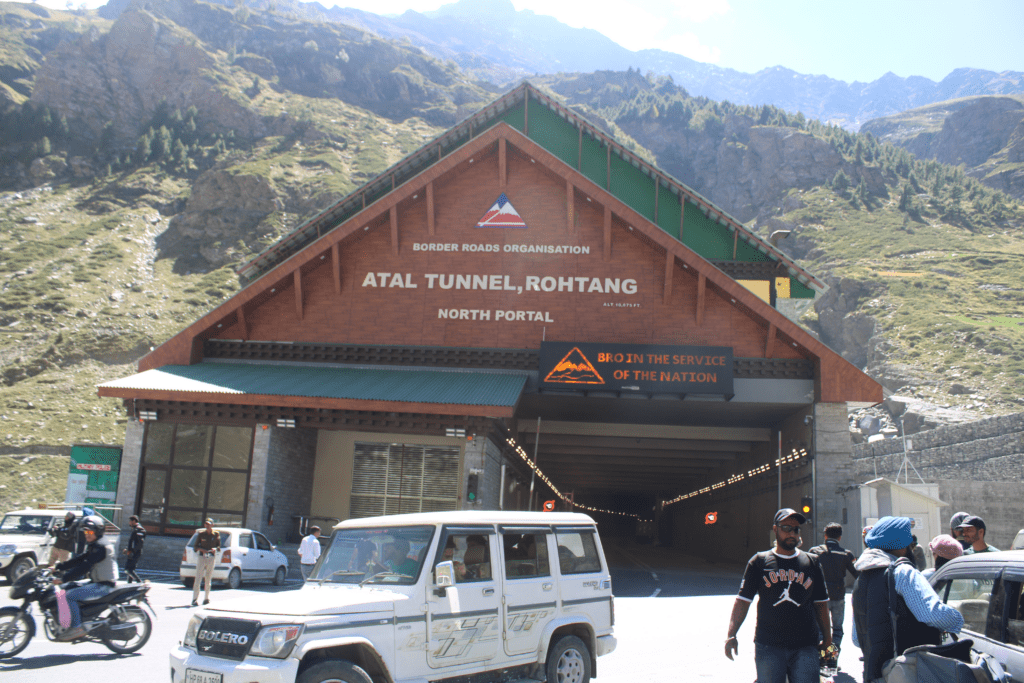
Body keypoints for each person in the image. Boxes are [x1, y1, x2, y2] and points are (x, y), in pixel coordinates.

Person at [851, 516, 964, 683]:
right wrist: (962, 621)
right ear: (901, 544)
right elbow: (933, 614)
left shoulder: (860, 580)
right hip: (906, 672)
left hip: (873, 674)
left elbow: (856, 638)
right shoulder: (902, 571)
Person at [725, 508, 832, 683]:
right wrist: (732, 634)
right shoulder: (759, 562)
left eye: (796, 529)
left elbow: (821, 603)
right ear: (775, 529)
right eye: (786, 528)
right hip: (769, 645)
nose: (792, 533)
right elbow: (743, 601)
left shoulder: (812, 562)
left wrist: (827, 638)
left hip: (806, 645)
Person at [52, 515, 119, 641]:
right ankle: (70, 620)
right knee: (64, 588)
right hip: (97, 582)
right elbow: (80, 559)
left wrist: (64, 578)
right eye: (85, 531)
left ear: (98, 531)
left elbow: (84, 567)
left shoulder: (101, 547)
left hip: (104, 586)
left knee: (69, 596)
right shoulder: (95, 544)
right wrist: (59, 566)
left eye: (90, 531)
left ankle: (77, 628)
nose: (87, 534)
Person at [808, 523, 859, 653]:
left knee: (820, 629)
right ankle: (831, 656)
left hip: (819, 598)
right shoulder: (846, 554)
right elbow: (858, 574)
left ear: (825, 535)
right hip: (838, 596)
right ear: (840, 537)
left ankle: (820, 656)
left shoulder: (814, 552)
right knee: (837, 629)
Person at [192, 518, 221, 606]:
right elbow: (195, 547)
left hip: (211, 557)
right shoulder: (201, 534)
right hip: (202, 556)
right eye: (206, 524)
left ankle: (206, 598)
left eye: (209, 524)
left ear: (212, 525)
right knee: (198, 578)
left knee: (208, 578)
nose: (207, 526)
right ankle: (194, 599)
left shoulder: (216, 534)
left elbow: (219, 547)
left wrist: (215, 549)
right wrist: (202, 550)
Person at [122, 515, 145, 583]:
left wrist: (131, 551)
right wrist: (127, 549)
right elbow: (133, 541)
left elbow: (139, 543)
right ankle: (129, 584)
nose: (129, 522)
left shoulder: (139, 530)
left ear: (134, 521)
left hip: (135, 552)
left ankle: (139, 582)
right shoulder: (135, 529)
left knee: (128, 569)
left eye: (130, 521)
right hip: (132, 552)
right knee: (130, 569)